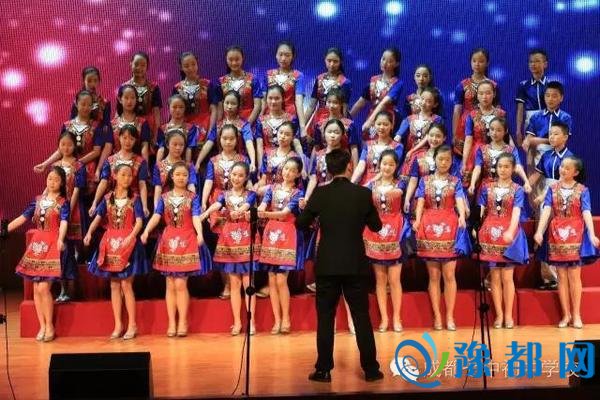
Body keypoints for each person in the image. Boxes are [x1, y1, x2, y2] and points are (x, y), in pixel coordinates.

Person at [296, 149, 384, 383]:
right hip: (355, 263)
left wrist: (312, 213)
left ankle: (323, 370)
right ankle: (371, 370)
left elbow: (301, 223)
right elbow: (376, 226)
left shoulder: (320, 193)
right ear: (349, 166)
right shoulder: (363, 193)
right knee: (361, 316)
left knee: (326, 318)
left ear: (328, 169)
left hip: (327, 265)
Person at [141, 162, 211, 337]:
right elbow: (157, 216)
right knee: (170, 283)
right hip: (169, 240)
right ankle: (172, 322)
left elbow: (195, 216)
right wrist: (146, 230)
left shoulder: (193, 197)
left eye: (185, 175)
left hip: (186, 239)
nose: (181, 177)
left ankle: (183, 322)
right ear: (172, 176)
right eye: (178, 174)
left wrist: (200, 233)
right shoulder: (164, 197)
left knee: (180, 283)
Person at [534, 156, 599, 329]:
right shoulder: (552, 189)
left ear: (575, 172)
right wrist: (539, 231)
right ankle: (565, 314)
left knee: (574, 276)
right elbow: (547, 210)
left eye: (567, 168)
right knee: (561, 276)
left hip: (576, 234)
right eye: (562, 166)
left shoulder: (582, 190)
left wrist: (592, 234)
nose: (562, 170)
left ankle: (576, 314)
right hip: (556, 234)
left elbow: (586, 211)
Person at [85, 163, 148, 339]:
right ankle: (118, 324)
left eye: (129, 175)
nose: (126, 178)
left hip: (128, 244)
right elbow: (98, 218)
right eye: (123, 175)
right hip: (111, 243)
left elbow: (139, 222)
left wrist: (131, 236)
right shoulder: (107, 199)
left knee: (126, 284)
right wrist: (89, 233)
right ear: (115, 176)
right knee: (114, 284)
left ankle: (132, 325)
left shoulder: (135, 199)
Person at [7, 167, 70, 342]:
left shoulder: (63, 202)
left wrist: (61, 239)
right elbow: (22, 218)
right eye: (50, 179)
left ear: (61, 183)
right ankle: (42, 325)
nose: (52, 182)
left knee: (44, 288)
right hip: (37, 244)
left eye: (56, 180)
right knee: (36, 287)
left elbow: (64, 222)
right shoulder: (38, 201)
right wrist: (4, 229)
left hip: (52, 243)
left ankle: (50, 326)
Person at [413, 145, 470, 330]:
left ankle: (450, 316)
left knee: (449, 275)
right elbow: (420, 201)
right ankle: (437, 316)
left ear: (452, 162)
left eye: (447, 160)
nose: (444, 163)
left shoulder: (455, 181)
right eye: (440, 159)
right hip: (429, 225)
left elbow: (459, 199)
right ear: (435, 160)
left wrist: (462, 216)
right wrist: (417, 220)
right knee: (434, 275)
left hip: (449, 225)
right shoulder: (425, 180)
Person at [201, 162, 257, 336]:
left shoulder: (251, 194)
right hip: (230, 240)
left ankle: (251, 322)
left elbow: (246, 206)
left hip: (245, 237)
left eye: (240, 175)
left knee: (248, 283)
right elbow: (217, 205)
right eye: (234, 174)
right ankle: (237, 322)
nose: (236, 178)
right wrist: (205, 214)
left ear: (246, 178)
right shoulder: (224, 195)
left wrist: (238, 211)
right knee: (234, 283)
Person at [477, 153, 529, 329]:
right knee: (494, 277)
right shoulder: (487, 188)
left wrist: (511, 231)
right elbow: (481, 210)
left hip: (508, 232)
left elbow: (516, 212)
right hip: (490, 233)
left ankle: (508, 315)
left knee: (507, 277)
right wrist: (477, 227)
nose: (503, 170)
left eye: (507, 167)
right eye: (500, 166)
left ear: (513, 169)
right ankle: (498, 315)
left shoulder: (517, 189)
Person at [257, 157, 305, 334]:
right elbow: (263, 204)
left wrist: (264, 214)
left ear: (298, 174)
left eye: (292, 170)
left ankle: (286, 319)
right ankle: (276, 320)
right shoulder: (272, 188)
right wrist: (260, 209)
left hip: (287, 233)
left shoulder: (298, 193)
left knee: (281, 279)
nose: (288, 173)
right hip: (271, 233)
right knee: (271, 278)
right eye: (286, 169)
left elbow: (284, 213)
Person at [364, 149, 408, 333]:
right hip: (375, 231)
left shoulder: (400, 183)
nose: (387, 167)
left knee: (395, 280)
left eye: (391, 164)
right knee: (380, 280)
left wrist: (382, 187)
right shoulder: (371, 185)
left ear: (396, 166)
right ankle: (384, 318)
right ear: (379, 164)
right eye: (384, 164)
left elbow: (398, 193)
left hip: (395, 230)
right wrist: (374, 180)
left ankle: (397, 317)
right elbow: (362, 193)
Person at [528, 121, 575, 290]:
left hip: (563, 196)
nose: (552, 137)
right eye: (550, 134)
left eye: (556, 134)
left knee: (558, 233)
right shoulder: (546, 155)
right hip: (546, 193)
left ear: (565, 137)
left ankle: (562, 275)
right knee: (545, 233)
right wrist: (525, 184)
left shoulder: (570, 158)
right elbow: (536, 176)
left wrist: (543, 195)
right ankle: (548, 277)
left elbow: (564, 180)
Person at [452, 48, 498, 158]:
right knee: (466, 157)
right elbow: (457, 111)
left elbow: (497, 110)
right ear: (470, 62)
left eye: (481, 61)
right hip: (464, 125)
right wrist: (454, 134)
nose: (477, 64)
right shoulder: (462, 85)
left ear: (487, 63)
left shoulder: (493, 85)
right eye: (474, 61)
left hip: (486, 124)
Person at [350, 47, 403, 139]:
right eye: (383, 59)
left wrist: (370, 121)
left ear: (396, 64)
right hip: (372, 116)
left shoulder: (397, 83)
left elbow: (384, 103)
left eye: (390, 61)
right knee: (367, 142)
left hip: (387, 119)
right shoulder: (373, 80)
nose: (384, 63)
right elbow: (360, 102)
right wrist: (347, 119)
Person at [262, 41, 307, 137]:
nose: (283, 58)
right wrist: (260, 118)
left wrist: (303, 127)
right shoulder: (268, 75)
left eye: (287, 55)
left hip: (289, 116)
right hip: (270, 116)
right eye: (280, 54)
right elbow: (263, 100)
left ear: (293, 56)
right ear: (276, 55)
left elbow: (299, 101)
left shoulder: (298, 76)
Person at [173, 52, 217, 141]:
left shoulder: (207, 84)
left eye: (193, 64)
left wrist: (211, 132)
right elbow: (174, 111)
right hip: (185, 126)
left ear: (197, 64)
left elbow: (214, 109)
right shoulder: (177, 88)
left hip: (206, 125)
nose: (191, 68)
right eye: (186, 66)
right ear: (181, 68)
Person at [122, 52, 162, 142]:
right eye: (136, 64)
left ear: (147, 67)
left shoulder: (154, 88)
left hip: (149, 127)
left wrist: (156, 134)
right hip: (129, 126)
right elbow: (119, 112)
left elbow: (157, 113)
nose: (139, 68)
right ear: (130, 64)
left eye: (143, 65)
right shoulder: (124, 87)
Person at [216, 46, 262, 124]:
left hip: (248, 121)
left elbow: (257, 105)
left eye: (237, 59)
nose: (234, 63)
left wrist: (247, 125)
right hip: (228, 123)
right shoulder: (221, 82)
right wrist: (220, 125)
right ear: (226, 60)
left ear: (242, 59)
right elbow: (220, 109)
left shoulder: (252, 79)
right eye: (231, 60)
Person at [515, 48, 548, 145]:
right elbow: (520, 109)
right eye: (531, 62)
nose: (533, 64)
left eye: (537, 61)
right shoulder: (523, 85)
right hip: (530, 121)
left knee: (547, 149)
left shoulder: (551, 84)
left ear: (545, 64)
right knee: (531, 150)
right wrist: (518, 130)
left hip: (548, 119)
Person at [156, 94, 200, 163]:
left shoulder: (191, 128)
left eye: (181, 107)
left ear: (185, 108)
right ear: (169, 108)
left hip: (183, 162)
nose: (178, 110)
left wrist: (186, 165)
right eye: (174, 107)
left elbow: (189, 148)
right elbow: (161, 148)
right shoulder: (162, 129)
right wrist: (158, 166)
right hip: (167, 163)